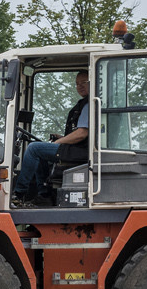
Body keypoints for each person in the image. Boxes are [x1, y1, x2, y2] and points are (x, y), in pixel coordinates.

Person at [11, 70, 90, 206]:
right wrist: (62, 138)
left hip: (81, 152)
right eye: (77, 84)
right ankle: (44, 195)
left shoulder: (89, 105)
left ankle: (18, 193)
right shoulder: (83, 104)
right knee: (40, 152)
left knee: (33, 149)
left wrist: (59, 142)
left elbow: (82, 134)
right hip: (78, 149)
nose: (80, 86)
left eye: (84, 82)